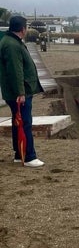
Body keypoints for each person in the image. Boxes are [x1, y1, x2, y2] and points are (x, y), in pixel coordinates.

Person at [0, 15, 45, 167]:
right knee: (25, 122)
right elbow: (15, 71)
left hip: (17, 91)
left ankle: (20, 154)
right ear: (23, 29)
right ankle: (30, 156)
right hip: (19, 92)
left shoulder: (11, 41)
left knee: (18, 122)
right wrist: (21, 93)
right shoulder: (12, 45)